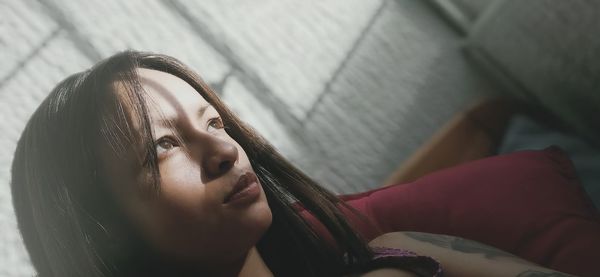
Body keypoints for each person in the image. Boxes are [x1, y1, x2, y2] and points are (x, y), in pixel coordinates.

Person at [11, 51, 579, 276]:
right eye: (162, 146)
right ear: (100, 230)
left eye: (213, 122)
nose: (225, 150)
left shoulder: (401, 255)